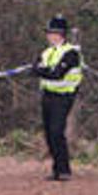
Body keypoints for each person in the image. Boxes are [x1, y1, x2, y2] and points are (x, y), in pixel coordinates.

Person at [32, 15, 83, 181]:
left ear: (60, 34)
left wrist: (44, 70)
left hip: (63, 96)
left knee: (56, 131)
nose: (49, 36)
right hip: (47, 94)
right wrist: (46, 71)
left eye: (52, 33)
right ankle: (56, 169)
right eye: (48, 33)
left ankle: (64, 169)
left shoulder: (71, 53)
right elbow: (34, 69)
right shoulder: (46, 52)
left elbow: (57, 74)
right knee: (48, 133)